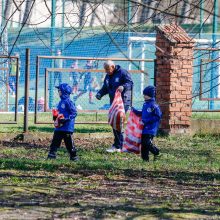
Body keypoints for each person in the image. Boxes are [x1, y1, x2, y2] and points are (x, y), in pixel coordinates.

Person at [95, 60, 133, 152]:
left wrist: (123, 86)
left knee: (118, 122)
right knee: (114, 122)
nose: (106, 71)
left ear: (113, 66)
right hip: (113, 102)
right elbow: (105, 87)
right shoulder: (108, 76)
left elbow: (130, 83)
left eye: (108, 69)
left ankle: (119, 145)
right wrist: (100, 93)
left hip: (123, 101)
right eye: (105, 69)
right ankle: (118, 144)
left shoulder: (122, 73)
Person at [47, 83, 79, 161]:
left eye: (59, 90)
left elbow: (74, 113)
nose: (58, 92)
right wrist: (55, 117)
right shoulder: (61, 102)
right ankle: (52, 154)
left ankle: (73, 156)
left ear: (64, 92)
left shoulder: (68, 102)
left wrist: (66, 119)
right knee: (55, 141)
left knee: (69, 143)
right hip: (59, 127)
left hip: (67, 127)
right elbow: (59, 112)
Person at [131, 85, 162, 162]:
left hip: (151, 129)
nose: (144, 96)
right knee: (143, 144)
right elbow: (143, 113)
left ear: (150, 95)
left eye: (145, 94)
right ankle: (145, 159)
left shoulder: (154, 105)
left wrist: (146, 120)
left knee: (147, 142)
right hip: (144, 128)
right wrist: (135, 111)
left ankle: (156, 152)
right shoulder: (145, 104)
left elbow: (158, 116)